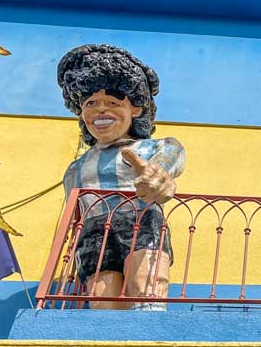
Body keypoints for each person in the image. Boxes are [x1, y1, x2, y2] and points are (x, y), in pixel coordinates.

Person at [57, 44, 185, 310]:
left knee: (146, 289)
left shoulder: (155, 147)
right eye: (91, 103)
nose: (101, 111)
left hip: (142, 221)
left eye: (113, 103)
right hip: (94, 231)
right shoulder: (75, 168)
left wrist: (156, 177)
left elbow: (165, 166)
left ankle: (148, 341)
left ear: (135, 110)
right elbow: (73, 213)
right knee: (102, 299)